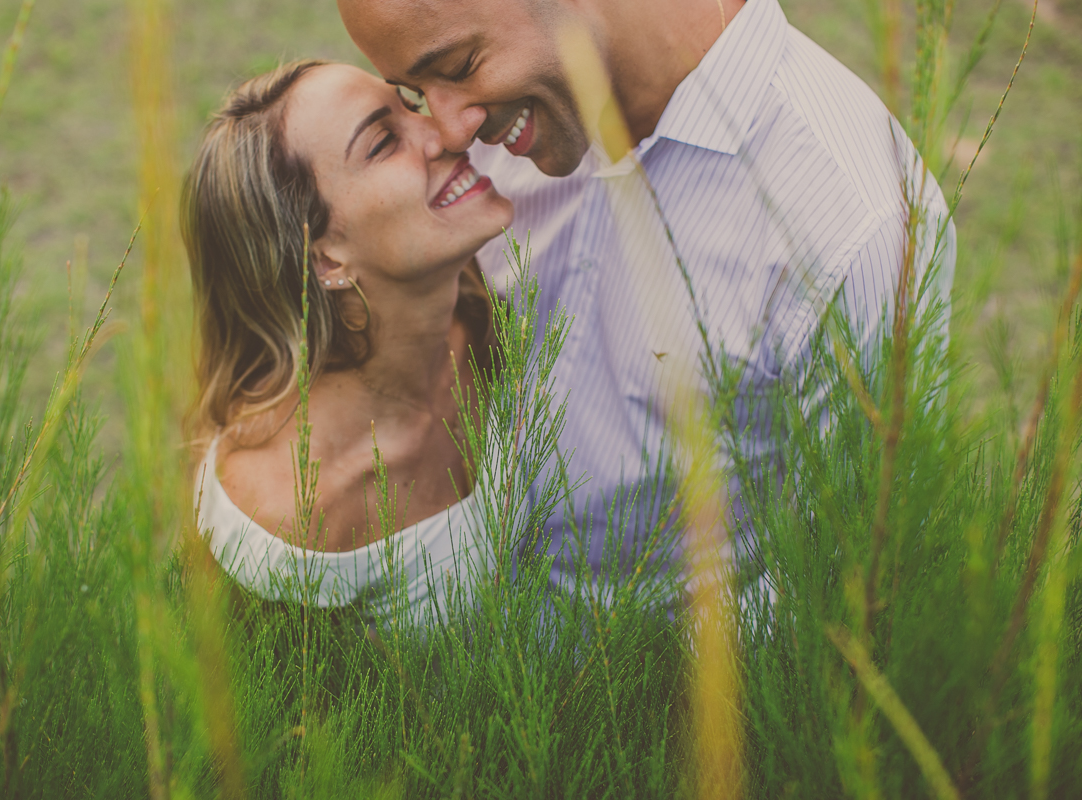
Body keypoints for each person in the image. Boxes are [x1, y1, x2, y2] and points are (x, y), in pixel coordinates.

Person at [338, 0, 957, 585]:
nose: (448, 131)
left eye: (459, 68)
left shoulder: (858, 228)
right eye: (419, 94)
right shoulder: (501, 141)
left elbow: (845, 591)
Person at [183, 60, 516, 624]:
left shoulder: (489, 309)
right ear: (322, 256)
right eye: (384, 142)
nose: (448, 131)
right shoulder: (285, 521)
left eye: (410, 104)